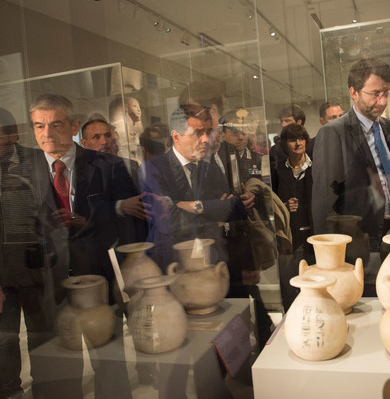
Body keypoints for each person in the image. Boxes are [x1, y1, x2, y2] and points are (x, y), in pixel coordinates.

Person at [29, 94, 139, 398]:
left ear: (74, 126)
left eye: (56, 125)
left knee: (110, 365)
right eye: (39, 126)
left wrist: (89, 221)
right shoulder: (26, 171)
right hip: (49, 283)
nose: (47, 134)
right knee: (55, 371)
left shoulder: (109, 166)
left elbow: (129, 224)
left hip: (99, 280)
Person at [312, 57, 390, 269]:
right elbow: (325, 202)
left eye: (386, 93)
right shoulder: (333, 133)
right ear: (354, 92)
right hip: (358, 240)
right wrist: (330, 255)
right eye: (375, 94)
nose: (383, 101)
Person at [139, 104, 247, 272]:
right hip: (173, 265)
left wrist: (195, 206)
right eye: (198, 133)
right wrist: (214, 216)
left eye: (208, 132)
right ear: (176, 136)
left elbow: (234, 208)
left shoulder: (210, 169)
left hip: (212, 261)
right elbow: (169, 221)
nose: (206, 139)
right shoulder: (153, 169)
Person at [0, 107, 49, 399]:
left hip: (37, 269)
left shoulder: (36, 160)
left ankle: (47, 391)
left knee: (42, 339)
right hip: (2, 275)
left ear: (13, 134)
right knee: (5, 344)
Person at [272, 124, 314, 310]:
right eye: (292, 140)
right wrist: (284, 205)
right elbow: (272, 201)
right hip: (289, 238)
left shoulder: (317, 167)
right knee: (288, 285)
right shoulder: (278, 170)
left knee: (313, 284)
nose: (298, 143)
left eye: (301, 138)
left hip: (314, 235)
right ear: (285, 144)